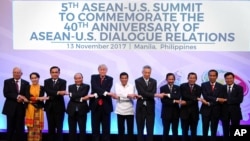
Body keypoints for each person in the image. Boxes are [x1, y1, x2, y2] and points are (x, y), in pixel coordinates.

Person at [2, 67, 29, 141]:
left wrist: (23, 99)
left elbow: (27, 95)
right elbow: (6, 93)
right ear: (12, 73)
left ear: (21, 74)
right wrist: (18, 96)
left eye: (18, 72)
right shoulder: (7, 81)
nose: (16, 74)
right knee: (10, 128)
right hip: (10, 108)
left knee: (20, 129)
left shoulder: (26, 83)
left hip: (21, 108)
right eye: (15, 72)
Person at [89, 64, 114, 141]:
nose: (103, 71)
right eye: (101, 69)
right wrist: (106, 93)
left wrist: (97, 93)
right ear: (98, 70)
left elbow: (107, 88)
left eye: (104, 70)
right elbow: (95, 87)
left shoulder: (110, 79)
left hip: (106, 106)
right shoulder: (93, 77)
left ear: (106, 71)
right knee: (95, 127)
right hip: (95, 106)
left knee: (106, 128)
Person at [66, 73, 94, 141]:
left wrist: (75, 95)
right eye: (76, 78)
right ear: (74, 79)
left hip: (82, 110)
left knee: (82, 129)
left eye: (79, 78)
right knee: (72, 130)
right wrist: (82, 98)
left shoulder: (86, 86)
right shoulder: (70, 86)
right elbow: (71, 97)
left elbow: (82, 94)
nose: (78, 80)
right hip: (71, 110)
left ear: (82, 78)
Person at [217, 72, 243, 141]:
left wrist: (226, 100)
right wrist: (222, 100)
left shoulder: (239, 88)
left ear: (233, 78)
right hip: (224, 112)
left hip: (235, 112)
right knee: (225, 131)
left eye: (230, 78)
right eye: (227, 78)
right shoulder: (222, 88)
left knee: (236, 131)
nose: (229, 80)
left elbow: (239, 100)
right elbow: (219, 98)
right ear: (225, 79)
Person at [44, 66, 67, 141]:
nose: (54, 74)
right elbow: (47, 91)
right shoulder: (46, 81)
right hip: (49, 107)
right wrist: (57, 92)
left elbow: (62, 92)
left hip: (59, 108)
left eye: (56, 72)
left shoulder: (63, 81)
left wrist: (53, 94)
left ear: (59, 73)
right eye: (53, 72)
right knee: (51, 128)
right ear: (50, 73)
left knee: (59, 128)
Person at [199, 69, 223, 141]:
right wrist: (217, 99)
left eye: (213, 76)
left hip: (216, 111)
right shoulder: (204, 85)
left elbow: (220, 98)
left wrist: (209, 103)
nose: (212, 77)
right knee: (205, 129)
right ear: (208, 76)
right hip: (205, 111)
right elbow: (206, 96)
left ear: (216, 76)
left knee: (214, 129)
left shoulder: (221, 86)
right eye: (210, 75)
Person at [135, 65, 157, 141]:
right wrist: (152, 95)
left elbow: (152, 92)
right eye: (146, 72)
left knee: (150, 129)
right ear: (142, 72)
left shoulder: (154, 81)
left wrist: (145, 95)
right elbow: (141, 92)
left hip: (150, 108)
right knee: (140, 129)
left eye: (149, 73)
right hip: (141, 108)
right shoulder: (138, 81)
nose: (147, 74)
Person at [113, 72, 137, 141]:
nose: (124, 79)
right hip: (120, 110)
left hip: (129, 110)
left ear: (128, 78)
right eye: (122, 78)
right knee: (120, 130)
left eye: (125, 78)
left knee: (130, 130)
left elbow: (131, 97)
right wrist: (127, 95)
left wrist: (120, 96)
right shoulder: (117, 85)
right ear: (120, 79)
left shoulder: (132, 86)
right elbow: (117, 94)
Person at [25, 72, 49, 141]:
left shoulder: (42, 87)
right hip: (30, 109)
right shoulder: (27, 87)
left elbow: (41, 99)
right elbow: (28, 97)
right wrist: (38, 98)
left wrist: (38, 99)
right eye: (32, 78)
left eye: (35, 78)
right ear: (30, 79)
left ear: (38, 78)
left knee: (38, 128)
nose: (34, 79)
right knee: (30, 127)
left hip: (39, 109)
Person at [158, 73, 181, 141]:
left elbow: (178, 96)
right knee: (165, 131)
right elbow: (163, 101)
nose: (171, 80)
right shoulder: (162, 88)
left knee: (175, 131)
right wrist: (174, 101)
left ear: (174, 79)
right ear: (166, 79)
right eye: (169, 79)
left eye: (172, 79)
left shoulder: (178, 87)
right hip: (166, 113)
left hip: (175, 113)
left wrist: (167, 95)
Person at [179, 72, 201, 141]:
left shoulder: (199, 87)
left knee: (194, 132)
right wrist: (195, 98)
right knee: (184, 132)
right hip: (184, 113)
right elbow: (184, 95)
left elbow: (196, 99)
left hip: (194, 113)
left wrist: (186, 102)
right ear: (187, 78)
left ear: (196, 79)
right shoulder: (182, 86)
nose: (192, 79)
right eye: (190, 78)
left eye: (193, 78)